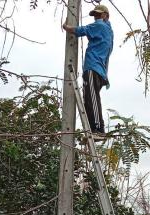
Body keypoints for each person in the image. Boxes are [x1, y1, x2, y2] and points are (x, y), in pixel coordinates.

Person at [62, 5, 113, 141]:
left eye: (98, 15)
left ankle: (98, 129)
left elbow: (80, 30)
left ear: (105, 16)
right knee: (89, 99)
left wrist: (67, 27)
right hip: (99, 70)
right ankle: (93, 129)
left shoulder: (100, 26)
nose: (96, 17)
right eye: (95, 15)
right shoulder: (108, 31)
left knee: (92, 98)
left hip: (93, 67)